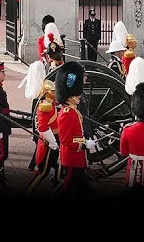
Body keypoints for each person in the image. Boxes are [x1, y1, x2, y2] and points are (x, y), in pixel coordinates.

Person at [53, 61, 94, 193]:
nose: (78, 98)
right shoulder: (67, 113)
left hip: (77, 158)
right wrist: (84, 143)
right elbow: (66, 139)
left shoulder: (72, 110)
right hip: (71, 159)